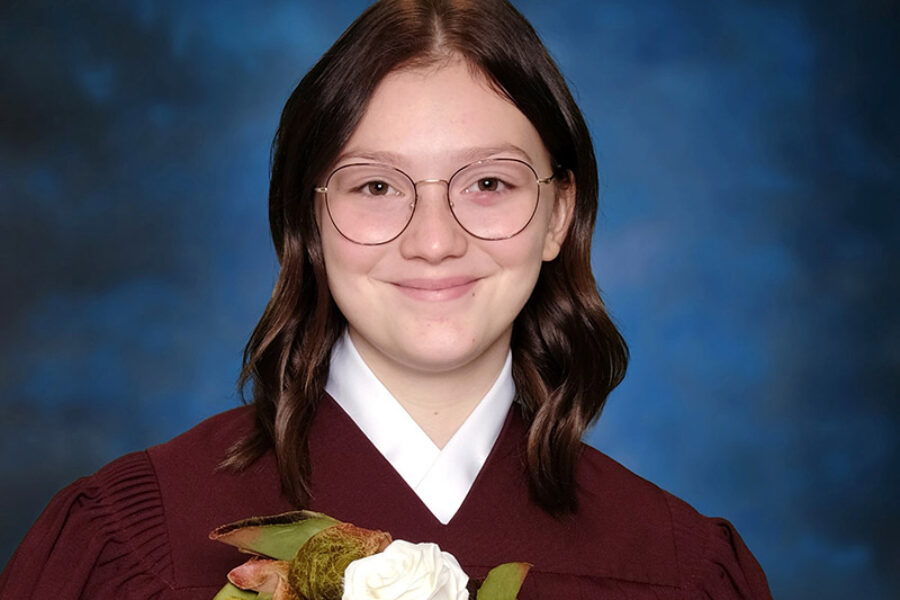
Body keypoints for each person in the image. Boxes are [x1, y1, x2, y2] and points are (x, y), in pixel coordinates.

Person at [0, 1, 773, 598]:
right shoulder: (130, 544)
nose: (434, 240)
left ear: (557, 215)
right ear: (309, 218)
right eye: (376, 186)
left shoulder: (682, 570)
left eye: (489, 183)